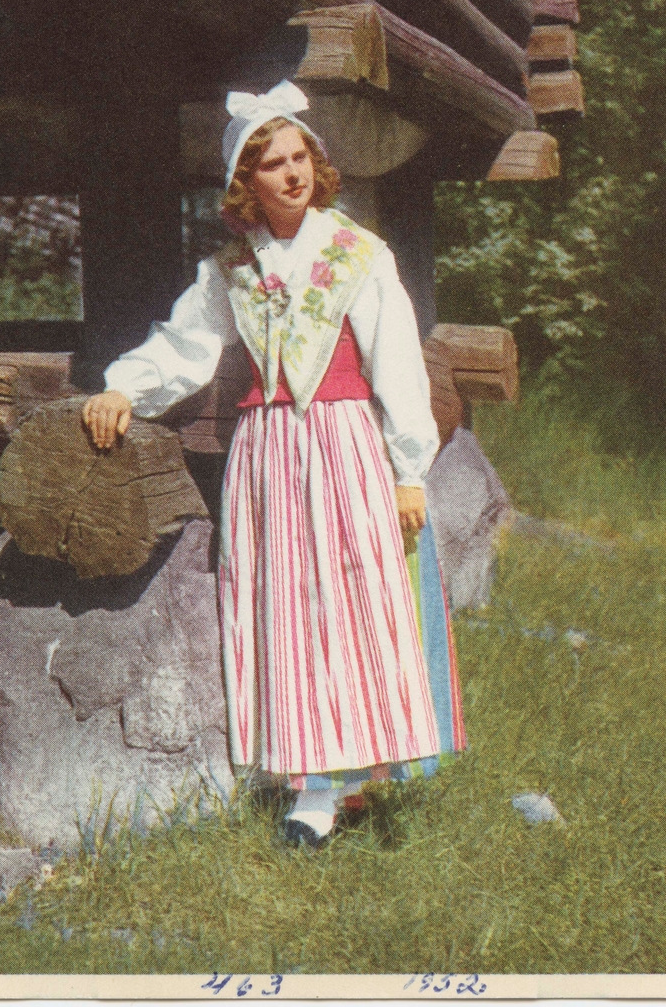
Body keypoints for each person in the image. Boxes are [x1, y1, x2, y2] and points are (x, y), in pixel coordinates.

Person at [82, 80, 465, 848]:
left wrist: (409, 470)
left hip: (345, 444)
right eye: (272, 164)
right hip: (267, 456)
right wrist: (125, 386)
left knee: (352, 598)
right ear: (245, 182)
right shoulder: (231, 268)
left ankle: (345, 778)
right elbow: (187, 344)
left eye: (299, 158)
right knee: (283, 605)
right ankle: (308, 778)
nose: (291, 174)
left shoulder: (358, 254)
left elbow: (396, 362)